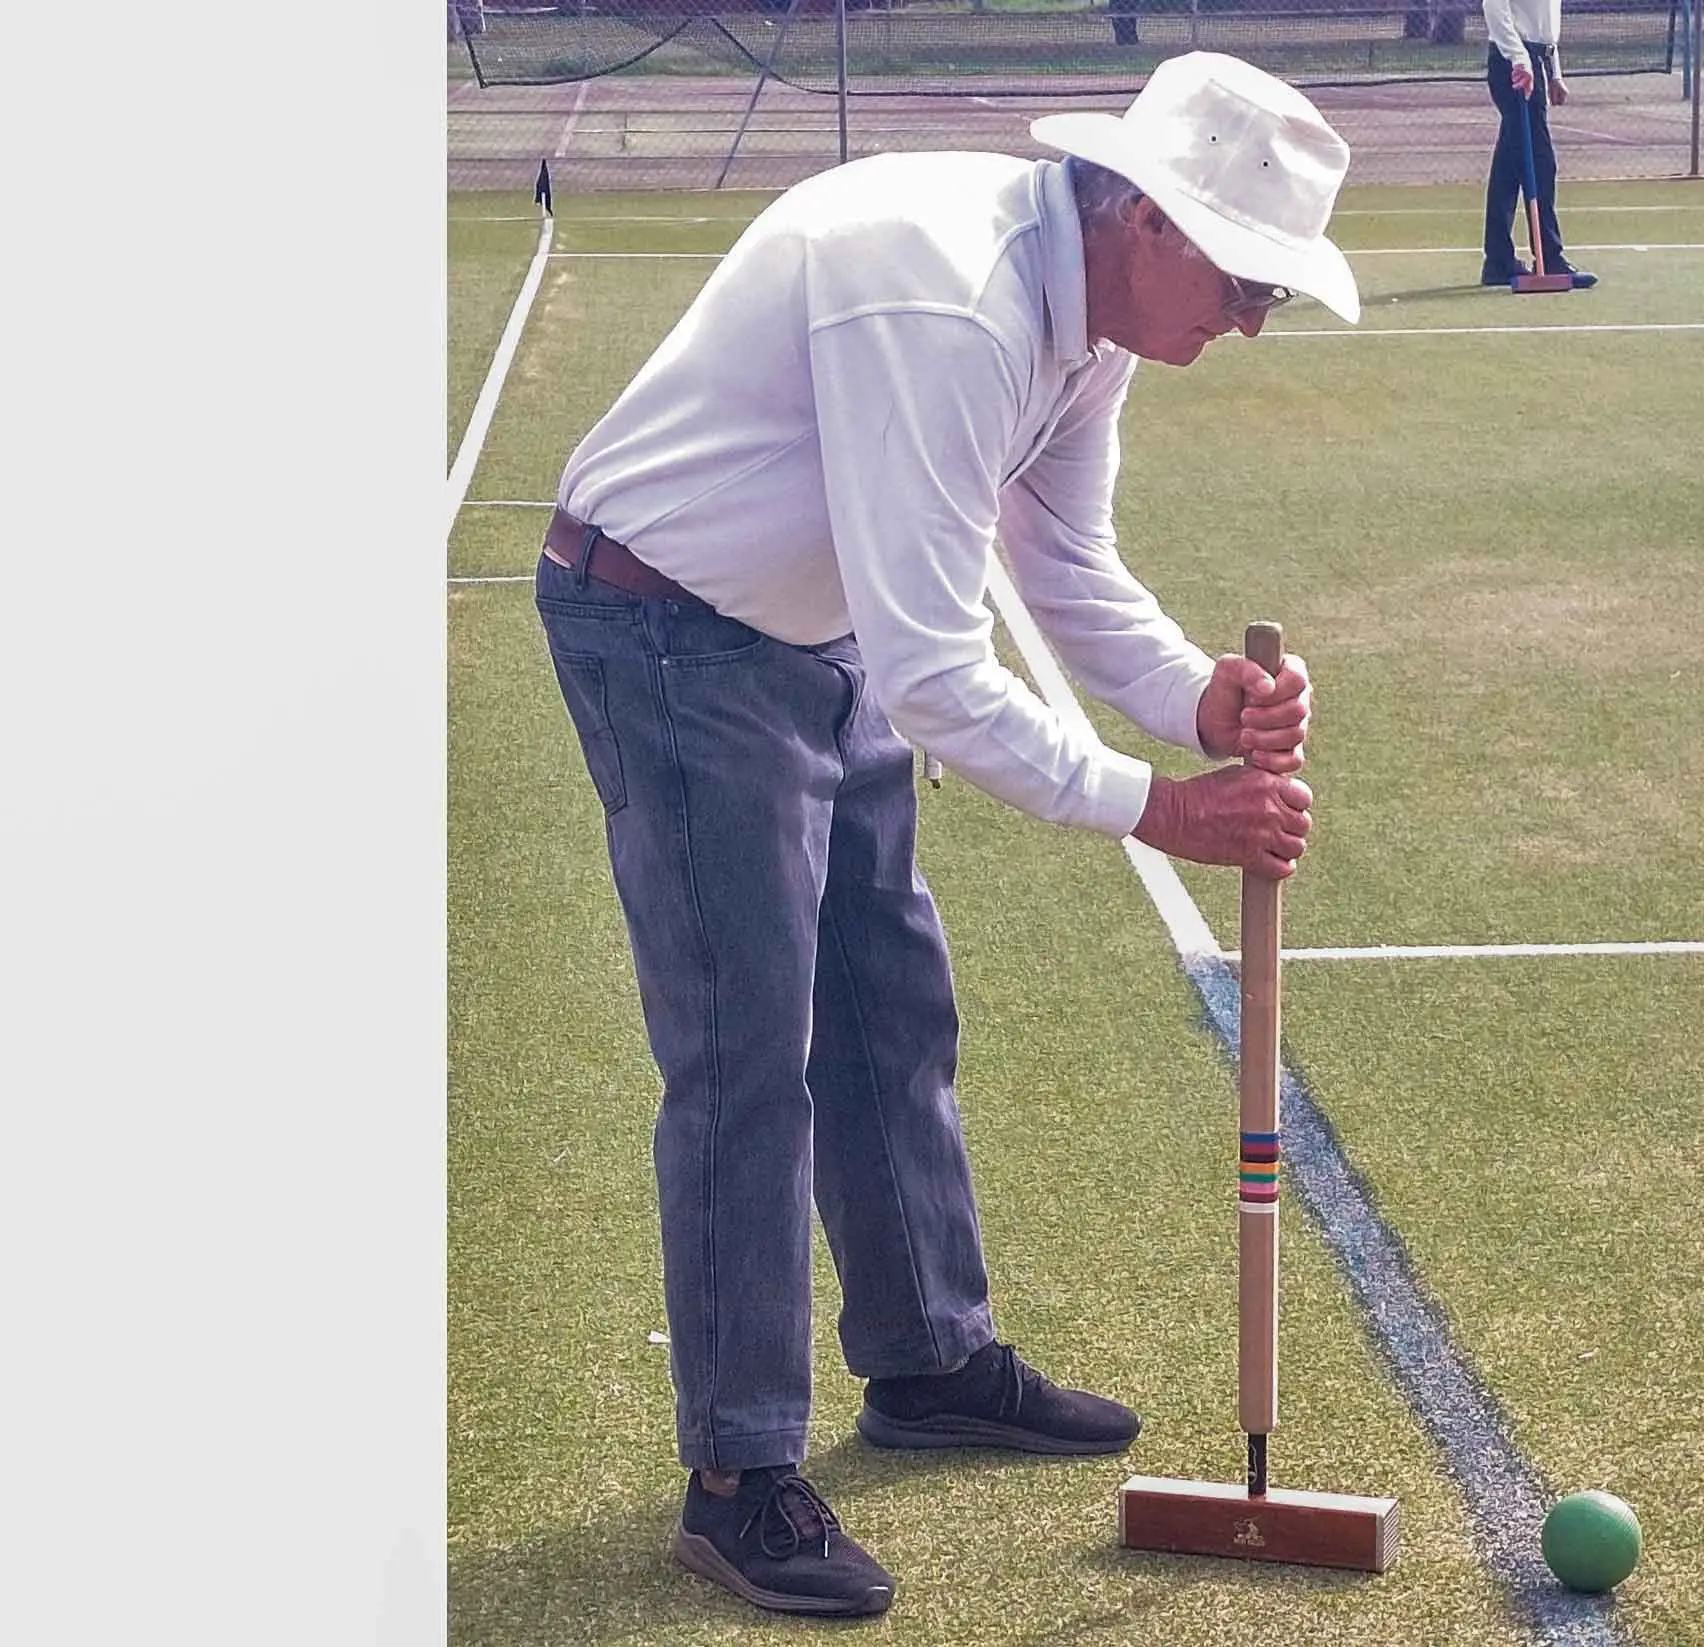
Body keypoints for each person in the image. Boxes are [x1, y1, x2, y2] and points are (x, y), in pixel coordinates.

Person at [532, 50, 1356, 1620]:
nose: (1249, 321)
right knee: (743, 1048)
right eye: (1244, 279)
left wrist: (1199, 699)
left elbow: (1064, 564)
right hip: (664, 633)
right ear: (1143, 216)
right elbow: (935, 668)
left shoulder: (1093, 321)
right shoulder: (951, 302)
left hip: (806, 630)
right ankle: (737, 1473)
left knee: (889, 1003)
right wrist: (1161, 808)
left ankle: (923, 1357)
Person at [1481, 0, 1598, 289]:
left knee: (1509, 167)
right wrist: (1520, 59)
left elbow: (1545, 23)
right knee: (1540, 162)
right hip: (1514, 61)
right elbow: (1494, 7)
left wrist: (1554, 72)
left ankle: (1497, 260)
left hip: (1536, 59)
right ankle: (1550, 257)